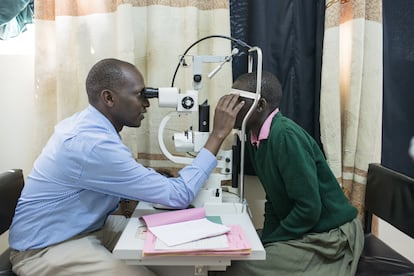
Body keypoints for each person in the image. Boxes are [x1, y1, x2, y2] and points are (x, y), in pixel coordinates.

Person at [8, 58, 244, 276]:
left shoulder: (93, 126)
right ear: (109, 98)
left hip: (88, 226)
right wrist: (218, 135)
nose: (146, 104)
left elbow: (110, 174)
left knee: (175, 255)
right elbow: (179, 196)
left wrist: (152, 176)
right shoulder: (92, 144)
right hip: (47, 247)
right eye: (139, 95)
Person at [218, 71, 364, 276]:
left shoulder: (285, 136)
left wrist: (271, 241)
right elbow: (275, 199)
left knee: (238, 267)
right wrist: (268, 238)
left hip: (330, 237)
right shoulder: (254, 138)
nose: (230, 107)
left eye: (238, 100)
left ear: (260, 106)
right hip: (306, 229)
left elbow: (309, 208)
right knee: (232, 252)